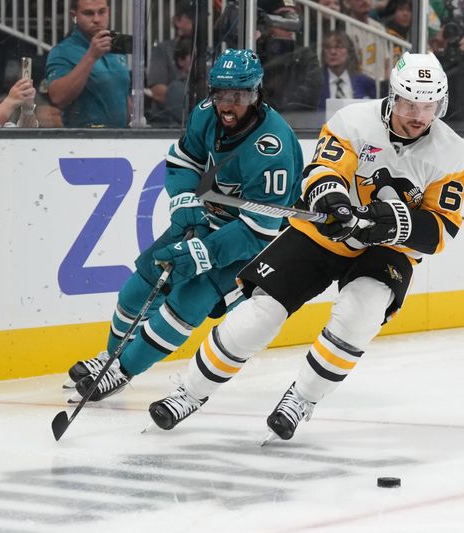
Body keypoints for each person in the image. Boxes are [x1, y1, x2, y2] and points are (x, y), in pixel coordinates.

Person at [146, 52, 464, 442]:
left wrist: (391, 223)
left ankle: (302, 399)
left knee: (361, 312)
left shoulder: (452, 153)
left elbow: (440, 230)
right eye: (408, 103)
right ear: (392, 97)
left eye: (428, 105)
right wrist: (332, 201)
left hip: (390, 249)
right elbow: (324, 170)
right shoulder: (354, 121)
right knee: (260, 313)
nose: (418, 115)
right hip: (325, 232)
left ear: (442, 103)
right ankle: (190, 392)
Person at [65, 49, 304, 402]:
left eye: (237, 96)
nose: (227, 105)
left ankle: (125, 370)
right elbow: (183, 162)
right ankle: (111, 358)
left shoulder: (273, 148)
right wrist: (185, 202)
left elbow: (259, 230)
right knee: (145, 278)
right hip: (208, 218)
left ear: (256, 94)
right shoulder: (206, 115)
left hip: (253, 242)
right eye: (220, 94)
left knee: (190, 298)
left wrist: (203, 252)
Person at [45, 0, 131, 127]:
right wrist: (91, 57)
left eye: (102, 12)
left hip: (121, 139)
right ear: (74, 15)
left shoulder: (115, 48)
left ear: (108, 11)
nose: (97, 19)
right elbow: (58, 97)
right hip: (83, 140)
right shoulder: (62, 51)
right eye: (88, 13)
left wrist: (135, 120)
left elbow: (122, 93)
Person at [256, 0, 323, 112]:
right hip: (262, 124)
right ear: (266, 20)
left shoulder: (306, 57)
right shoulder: (252, 54)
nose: (291, 25)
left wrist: (276, 110)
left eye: (294, 17)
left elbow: (309, 97)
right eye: (284, 17)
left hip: (297, 124)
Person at [147, 0, 195, 126]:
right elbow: (157, 91)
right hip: (166, 125)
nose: (197, 21)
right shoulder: (162, 50)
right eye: (191, 17)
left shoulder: (207, 52)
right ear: (177, 20)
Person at [318, 29, 376, 111]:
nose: (333, 52)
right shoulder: (316, 82)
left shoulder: (365, 82)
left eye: (338, 47)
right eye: (328, 48)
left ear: (349, 52)